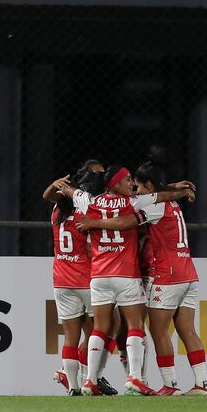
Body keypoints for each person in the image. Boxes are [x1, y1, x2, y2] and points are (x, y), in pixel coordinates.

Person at [56, 164, 194, 396]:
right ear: (115, 183)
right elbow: (157, 197)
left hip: (99, 276)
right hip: (126, 275)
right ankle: (135, 378)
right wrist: (180, 192)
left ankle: (89, 380)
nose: (131, 183)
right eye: (127, 179)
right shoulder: (131, 203)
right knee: (135, 326)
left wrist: (63, 187)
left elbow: (72, 193)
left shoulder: (90, 202)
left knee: (99, 328)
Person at [43, 161, 104, 395]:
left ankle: (73, 387)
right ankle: (91, 381)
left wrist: (53, 185)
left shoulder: (57, 212)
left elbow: (47, 196)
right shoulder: (85, 212)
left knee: (70, 336)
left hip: (61, 279)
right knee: (95, 332)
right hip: (86, 279)